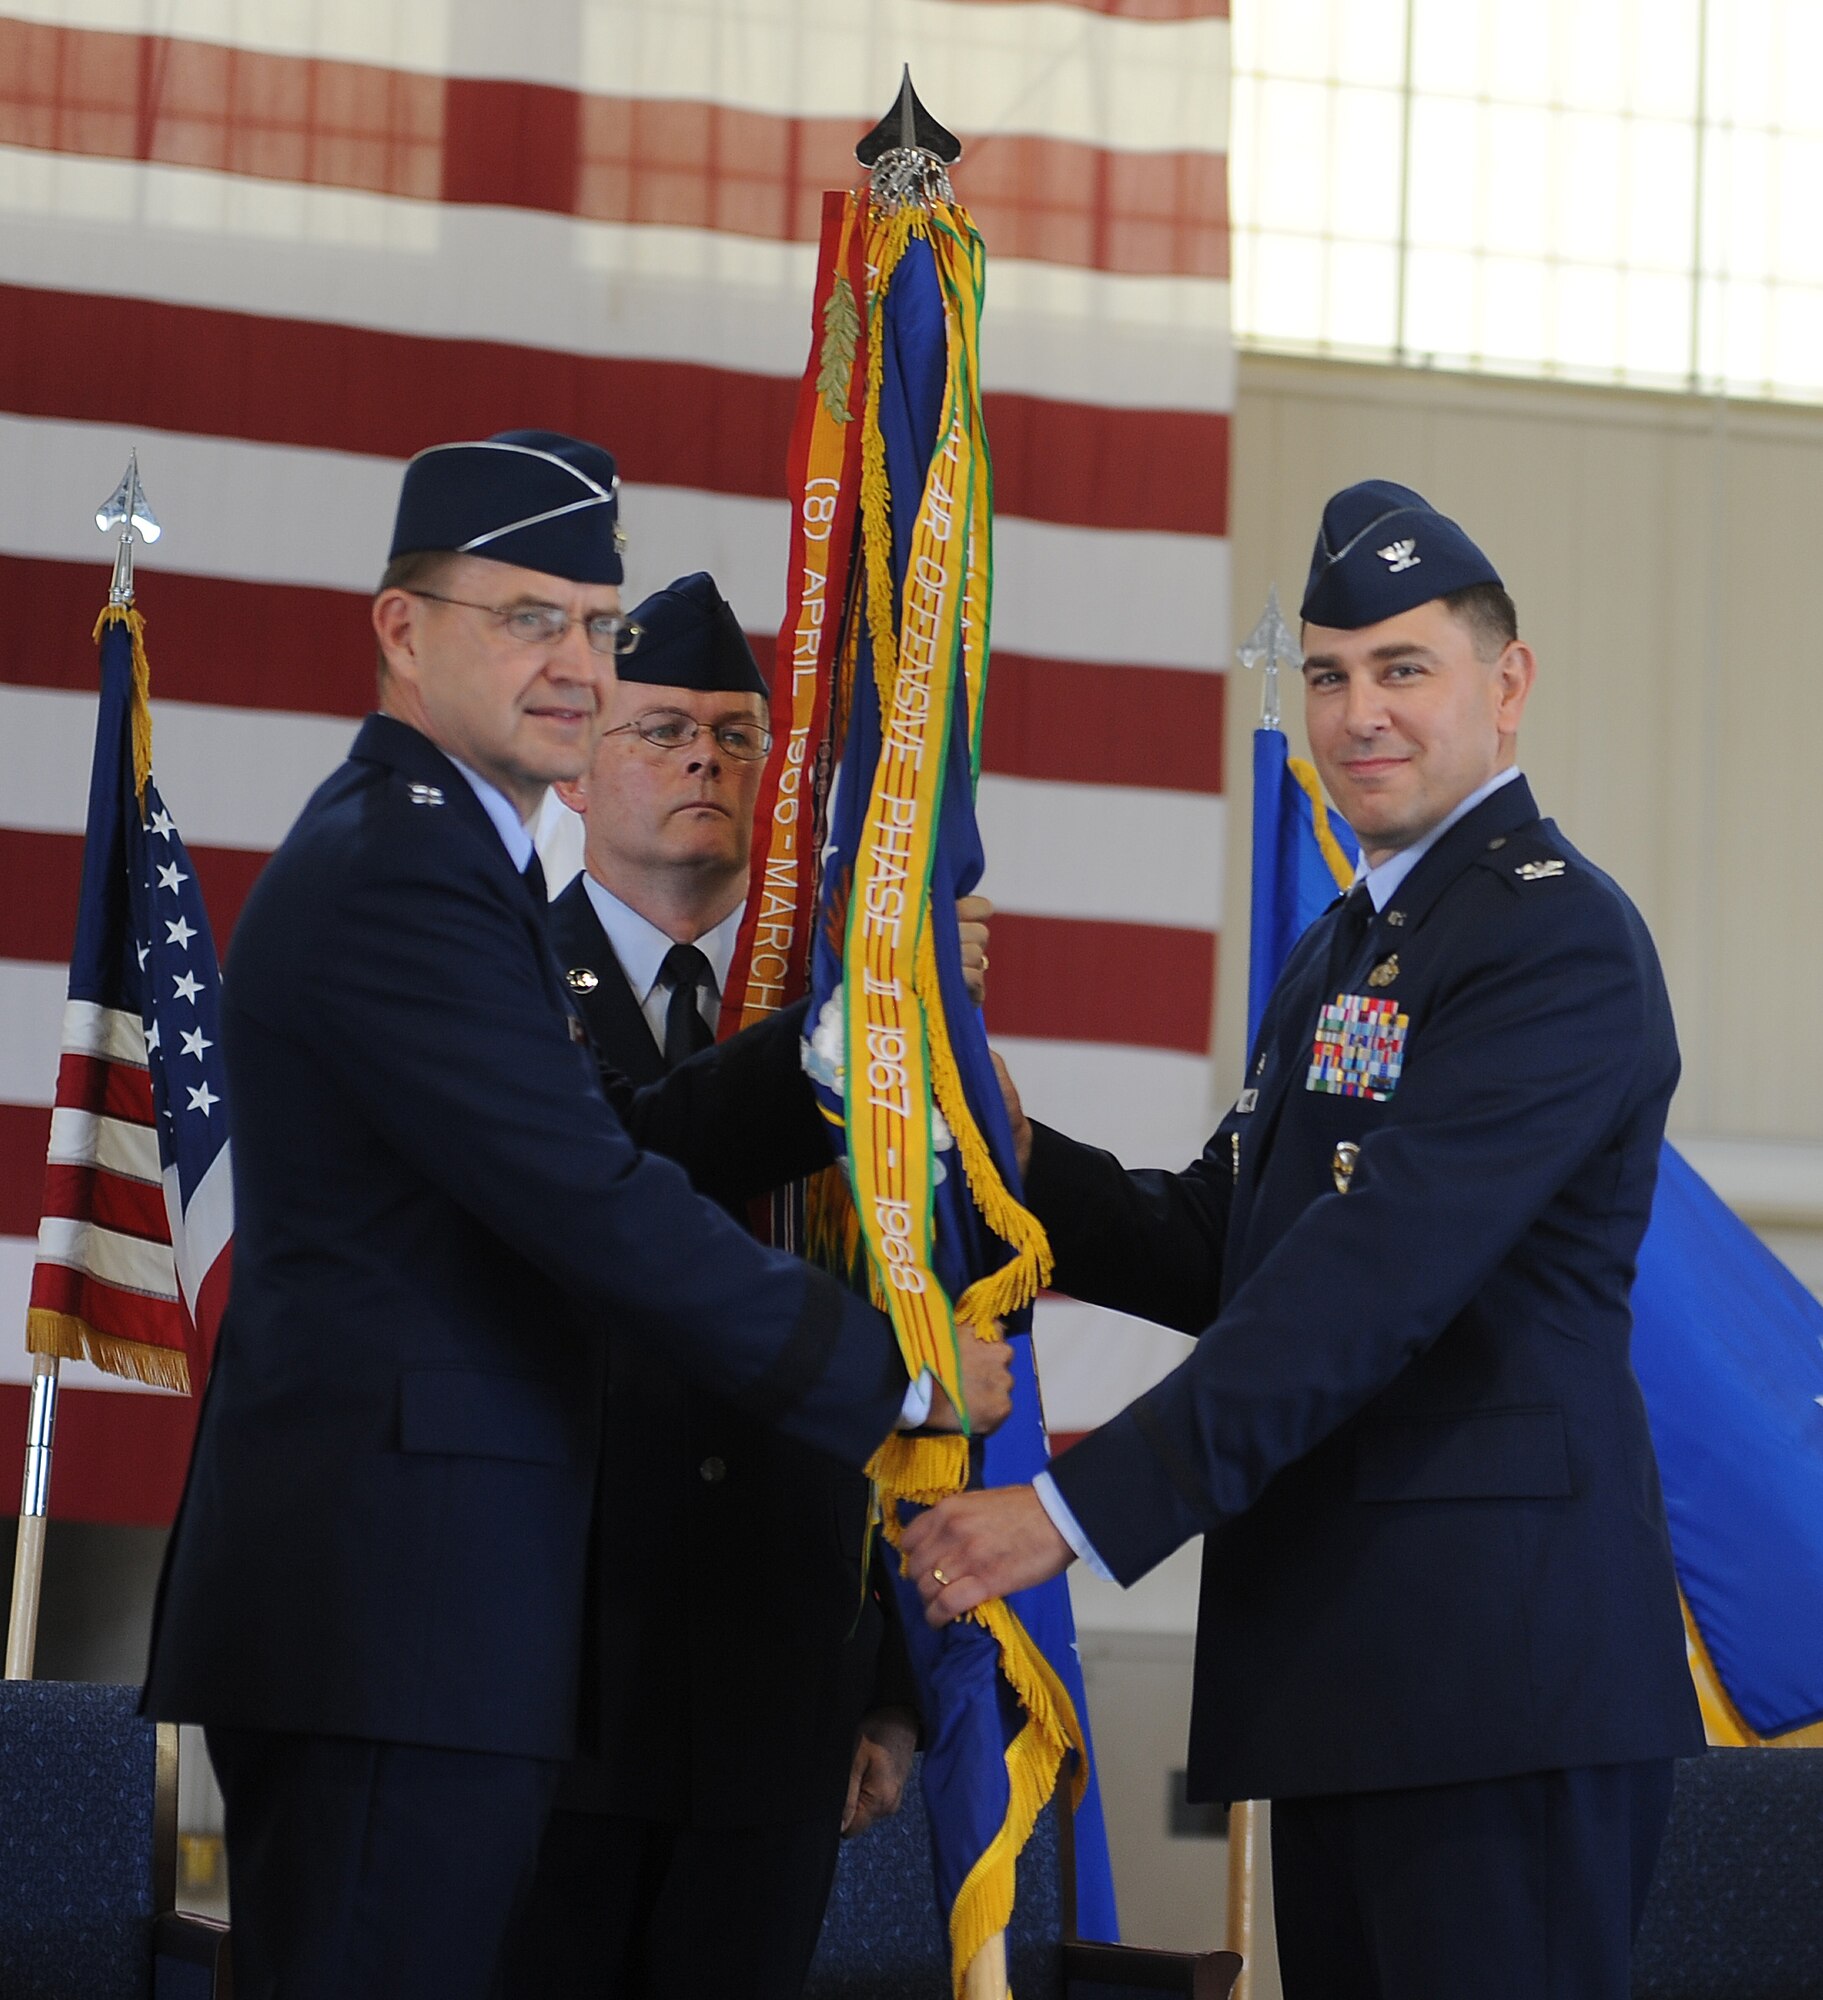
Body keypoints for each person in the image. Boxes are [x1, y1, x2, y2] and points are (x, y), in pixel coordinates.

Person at [141, 432, 1012, 2000]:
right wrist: (898, 1373)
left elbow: (610, 1136)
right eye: (527, 617)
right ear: (401, 630)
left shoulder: (439, 851)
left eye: (596, 626)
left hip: (427, 1621)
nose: (576, 667)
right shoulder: (404, 870)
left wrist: (831, 1042)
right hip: (391, 1620)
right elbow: (594, 1200)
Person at [905, 480, 1705, 1999]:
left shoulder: (1554, 939)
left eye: (1404, 668)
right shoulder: (1348, 944)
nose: (1358, 714)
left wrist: (1069, 1516)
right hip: (1349, 1676)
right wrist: (1012, 1161)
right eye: (1328, 675)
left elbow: (1363, 1285)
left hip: (1494, 1691)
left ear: (1506, 682)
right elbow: (1228, 1247)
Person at [507, 572, 952, 1997]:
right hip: (548, 1691)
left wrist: (882, 1678)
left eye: (735, 736)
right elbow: (622, 1193)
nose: (703, 757)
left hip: (775, 1701)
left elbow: (876, 1316)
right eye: (659, 730)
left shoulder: (838, 1031)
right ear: (575, 769)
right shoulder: (503, 981)